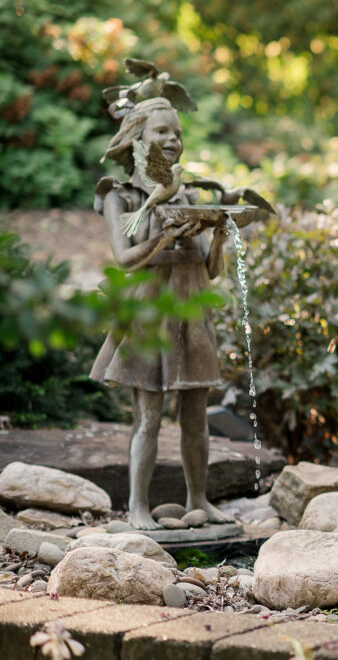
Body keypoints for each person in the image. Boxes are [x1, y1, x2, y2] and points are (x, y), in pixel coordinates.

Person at [90, 97, 233, 529]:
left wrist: (220, 234)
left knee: (196, 417)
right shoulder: (121, 196)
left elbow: (210, 269)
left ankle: (199, 500)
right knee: (148, 417)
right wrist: (163, 237)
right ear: (137, 138)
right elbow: (124, 259)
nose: (173, 140)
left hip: (192, 318)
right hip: (149, 317)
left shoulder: (190, 196)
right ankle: (137, 505)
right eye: (161, 132)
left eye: (177, 133)